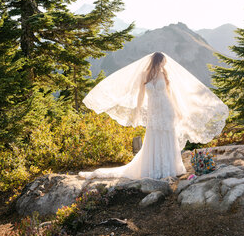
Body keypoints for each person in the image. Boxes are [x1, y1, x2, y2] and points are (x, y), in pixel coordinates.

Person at [78, 51, 229, 181]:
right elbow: (140, 95)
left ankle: (170, 169)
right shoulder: (144, 75)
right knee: (153, 136)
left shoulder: (165, 74)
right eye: (163, 61)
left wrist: (178, 110)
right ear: (158, 61)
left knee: (168, 135)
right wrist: (136, 110)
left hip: (167, 109)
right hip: (154, 111)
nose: (165, 64)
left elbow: (171, 95)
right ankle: (154, 169)